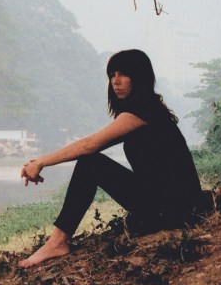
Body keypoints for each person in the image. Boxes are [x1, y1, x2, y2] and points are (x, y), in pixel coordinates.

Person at [18, 49, 203, 268]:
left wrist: (41, 162)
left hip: (175, 211)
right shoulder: (143, 112)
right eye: (112, 75)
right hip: (168, 206)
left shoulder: (144, 111)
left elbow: (90, 145)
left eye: (123, 74)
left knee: (90, 162)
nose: (115, 81)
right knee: (91, 162)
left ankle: (58, 242)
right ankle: (58, 241)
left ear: (139, 77)